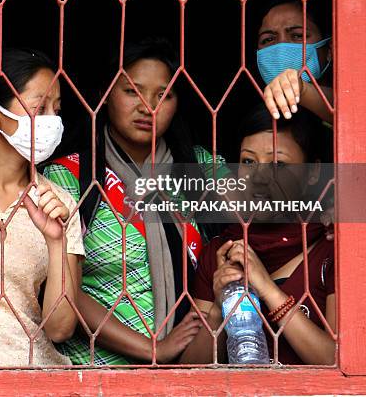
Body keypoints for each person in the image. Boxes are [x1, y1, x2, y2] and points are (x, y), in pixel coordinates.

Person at [43, 38, 230, 365]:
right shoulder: (68, 177)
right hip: (94, 374)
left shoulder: (201, 169)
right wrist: (152, 350)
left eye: (164, 95)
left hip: (188, 373)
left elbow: (279, 198)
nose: (149, 106)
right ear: (106, 93)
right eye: (132, 91)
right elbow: (58, 288)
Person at [181, 104, 335, 365]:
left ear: (313, 172)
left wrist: (267, 289)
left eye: (278, 163)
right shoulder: (221, 252)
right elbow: (187, 372)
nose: (259, 177)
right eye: (248, 161)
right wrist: (219, 310)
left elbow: (342, 361)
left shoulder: (331, 248)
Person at [0, 48, 84, 367]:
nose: (52, 122)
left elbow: (61, 328)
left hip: (34, 373)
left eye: (57, 110)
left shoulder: (58, 202)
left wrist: (56, 241)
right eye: (39, 108)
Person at [256, 0, 332, 124]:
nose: (281, 47)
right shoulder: (257, 120)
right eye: (268, 39)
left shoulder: (341, 103)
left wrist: (302, 89)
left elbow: (350, 108)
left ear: (329, 49)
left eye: (298, 35)